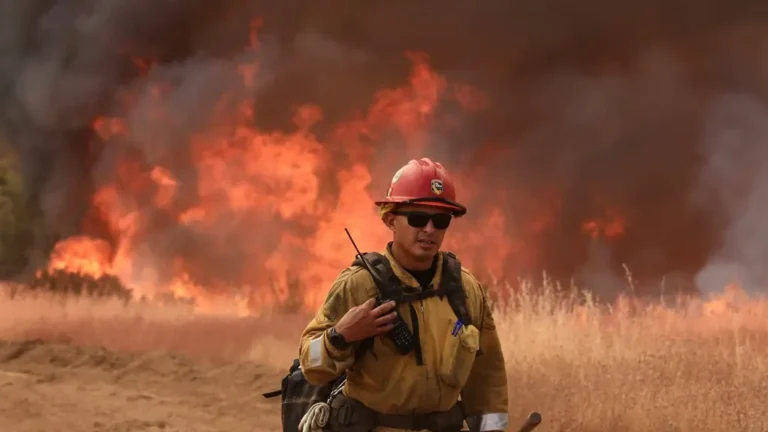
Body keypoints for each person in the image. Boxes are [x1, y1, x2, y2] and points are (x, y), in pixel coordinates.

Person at [297, 158, 509, 432]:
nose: (429, 230)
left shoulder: (466, 289)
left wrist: (493, 430)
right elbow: (309, 363)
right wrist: (340, 335)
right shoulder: (359, 285)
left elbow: (487, 378)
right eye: (418, 218)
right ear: (390, 219)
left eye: (441, 220)